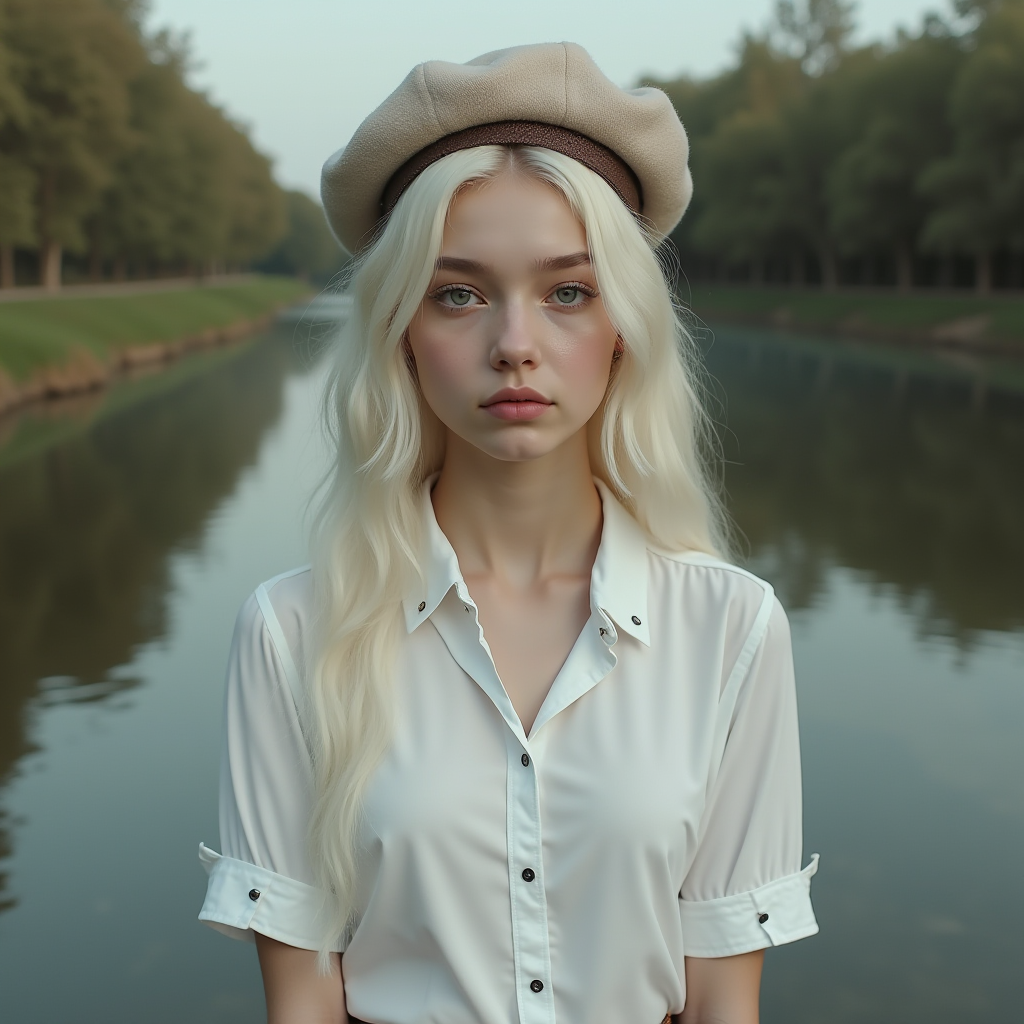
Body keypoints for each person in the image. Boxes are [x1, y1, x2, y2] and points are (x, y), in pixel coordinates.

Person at [198, 42, 819, 1024]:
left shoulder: (731, 628)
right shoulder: (290, 631)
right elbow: (302, 1001)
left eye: (567, 291)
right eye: (459, 292)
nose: (514, 343)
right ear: (402, 329)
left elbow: (723, 1001)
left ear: (622, 326)